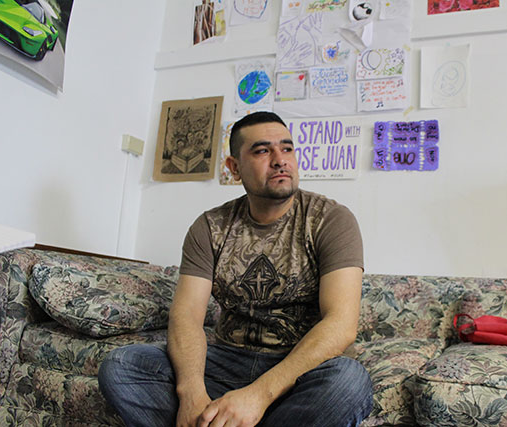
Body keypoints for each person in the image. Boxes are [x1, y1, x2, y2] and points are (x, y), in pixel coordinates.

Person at [98, 111, 373, 427]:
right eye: (262, 151)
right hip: (227, 362)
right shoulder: (210, 227)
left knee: (349, 383)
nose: (280, 160)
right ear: (234, 167)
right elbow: (187, 315)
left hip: (299, 367)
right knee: (123, 365)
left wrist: (258, 396)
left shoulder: (331, 219)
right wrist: (192, 395)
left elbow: (341, 324)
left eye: (287, 148)